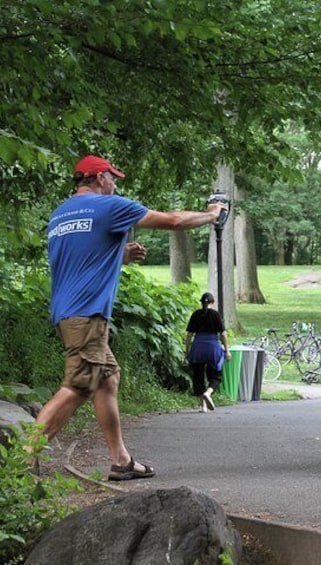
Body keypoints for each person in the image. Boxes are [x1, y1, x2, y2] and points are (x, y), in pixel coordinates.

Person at [33, 154, 226, 481]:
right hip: (87, 313)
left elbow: (78, 258)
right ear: (98, 178)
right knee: (79, 385)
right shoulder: (110, 206)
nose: (116, 184)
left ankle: (121, 460)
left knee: (107, 377)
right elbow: (174, 221)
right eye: (113, 178)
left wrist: (120, 255)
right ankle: (18, 458)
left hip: (67, 312)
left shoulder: (61, 214)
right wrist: (211, 215)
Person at [185, 292, 231, 412]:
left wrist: (187, 351)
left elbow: (189, 335)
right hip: (212, 347)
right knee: (216, 375)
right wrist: (227, 351)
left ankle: (203, 406)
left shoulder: (196, 314)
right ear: (213, 302)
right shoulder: (216, 315)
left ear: (201, 302)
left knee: (198, 376)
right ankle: (209, 393)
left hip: (198, 347)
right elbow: (223, 334)